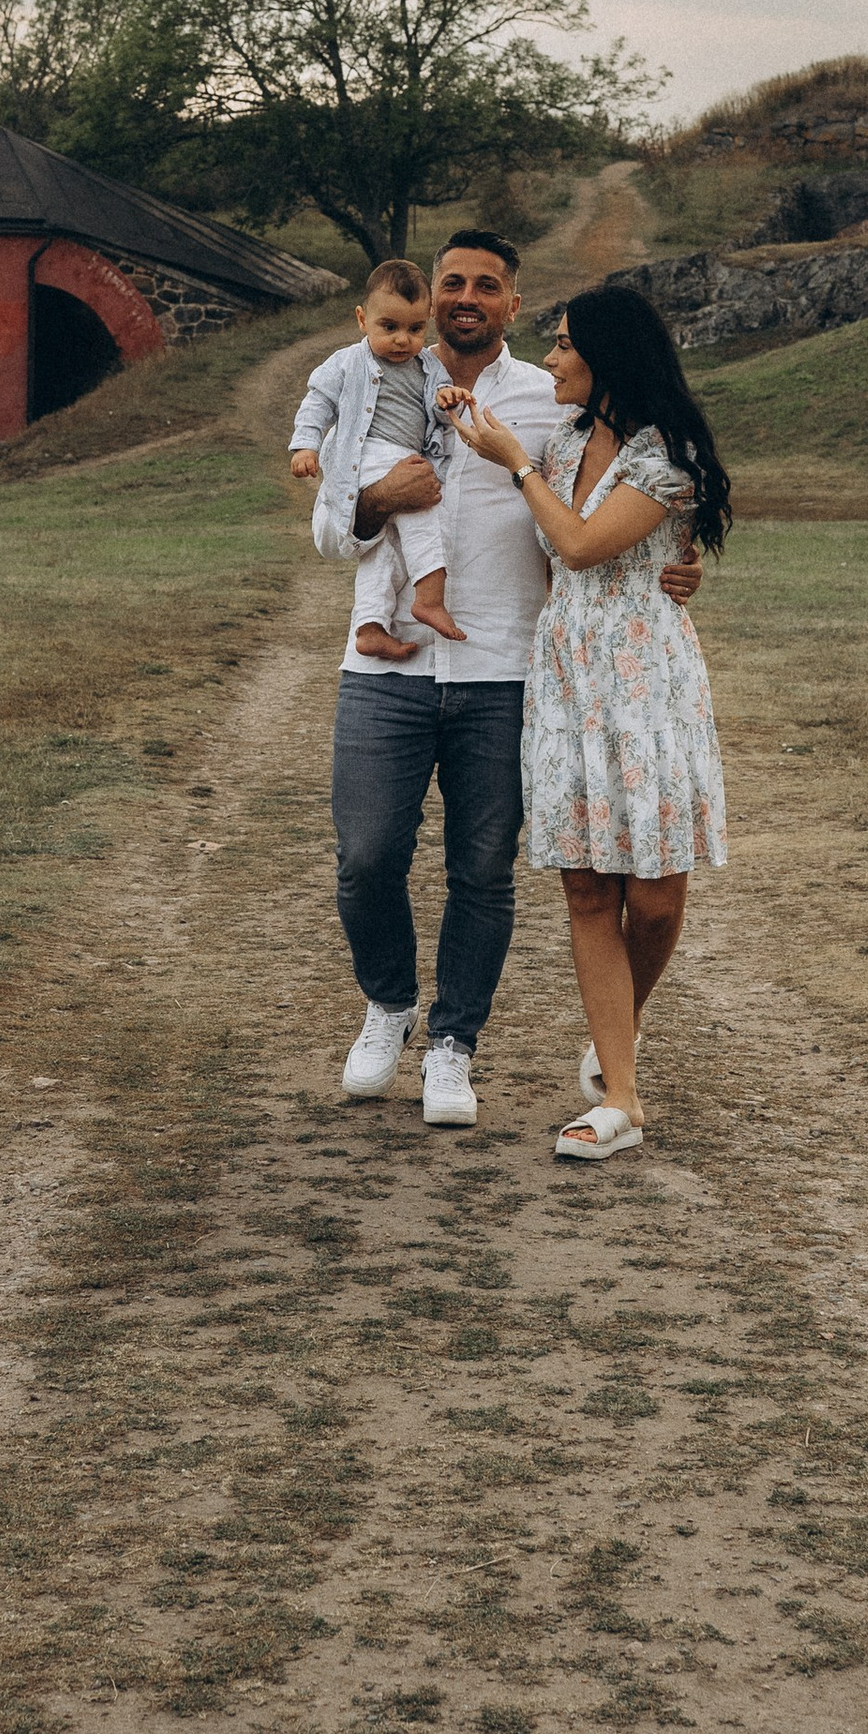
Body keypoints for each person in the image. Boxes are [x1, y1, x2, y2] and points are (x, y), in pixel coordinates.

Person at [313, 230, 701, 1129]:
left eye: (487, 286)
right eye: (452, 281)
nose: (466, 298)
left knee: (482, 871)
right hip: (387, 661)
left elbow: (604, 505)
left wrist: (678, 566)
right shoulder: (371, 384)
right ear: (428, 292)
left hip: (506, 672)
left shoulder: (549, 406)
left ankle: (454, 1043)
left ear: (513, 306)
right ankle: (389, 1003)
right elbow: (330, 531)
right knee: (366, 857)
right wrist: (378, 500)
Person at [451, 281, 730, 1162]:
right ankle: (622, 1099)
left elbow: (578, 544)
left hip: (648, 684)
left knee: (655, 897)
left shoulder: (666, 455)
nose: (552, 359)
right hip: (567, 680)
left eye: (566, 343)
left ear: (610, 356)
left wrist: (515, 465)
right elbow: (553, 563)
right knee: (586, 890)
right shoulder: (565, 438)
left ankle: (619, 1037)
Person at [288, 259, 465, 664]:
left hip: (403, 457)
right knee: (422, 514)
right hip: (366, 455)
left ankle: (369, 626)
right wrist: (305, 447)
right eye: (389, 327)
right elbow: (318, 402)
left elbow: (439, 411)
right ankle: (429, 598)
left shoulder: (429, 367)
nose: (402, 340)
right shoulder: (347, 362)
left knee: (385, 547)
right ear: (362, 319)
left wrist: (447, 400)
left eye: (415, 329)